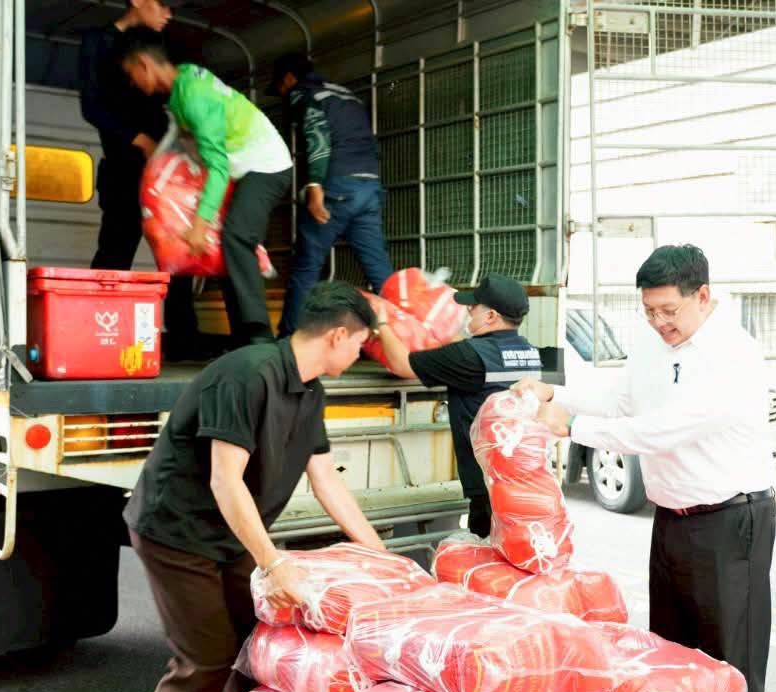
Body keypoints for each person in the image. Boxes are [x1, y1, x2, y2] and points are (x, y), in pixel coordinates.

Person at [88, 281, 386, 692]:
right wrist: (273, 563)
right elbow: (226, 480)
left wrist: (378, 555)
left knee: (259, 648)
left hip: (227, 536)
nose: (360, 354)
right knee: (204, 659)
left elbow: (325, 477)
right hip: (177, 532)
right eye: (360, 344)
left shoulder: (310, 390)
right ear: (337, 335)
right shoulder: (246, 375)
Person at [517, 244, 774, 692]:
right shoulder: (656, 347)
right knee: (674, 667)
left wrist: (572, 427)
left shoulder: (733, 355)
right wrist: (557, 396)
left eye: (669, 311)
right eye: (650, 311)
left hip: (730, 522)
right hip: (674, 520)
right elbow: (621, 398)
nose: (660, 322)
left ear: (703, 296)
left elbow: (665, 429)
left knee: (730, 671)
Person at [121, 37, 293, 351]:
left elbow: (218, 168)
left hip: (266, 166)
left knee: (237, 237)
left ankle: (259, 337)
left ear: (144, 65)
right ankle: (243, 340)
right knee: (225, 246)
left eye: (132, 75)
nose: (133, 83)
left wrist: (199, 225)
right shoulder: (183, 82)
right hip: (242, 168)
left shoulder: (194, 97)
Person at [78, 2, 207, 360]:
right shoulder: (97, 43)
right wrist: (138, 140)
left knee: (177, 253)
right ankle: (95, 336)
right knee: (115, 252)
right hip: (124, 167)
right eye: (162, 4)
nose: (168, 13)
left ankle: (184, 339)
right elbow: (92, 107)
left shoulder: (163, 45)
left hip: (166, 167)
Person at [374, 274, 542, 537]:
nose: (468, 310)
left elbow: (402, 364)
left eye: (474, 306)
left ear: (491, 316)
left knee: (490, 549)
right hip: (524, 475)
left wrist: (382, 323)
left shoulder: (469, 355)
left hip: (488, 484)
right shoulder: (529, 352)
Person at [271, 54, 393, 336]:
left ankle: (289, 337)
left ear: (289, 79)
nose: (282, 94)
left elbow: (318, 137)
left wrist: (315, 186)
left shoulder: (306, 95)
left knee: (307, 265)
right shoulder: (346, 95)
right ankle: (400, 336)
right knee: (379, 268)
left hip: (337, 187)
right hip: (369, 186)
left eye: (279, 87)